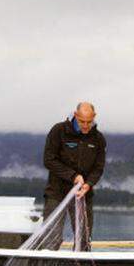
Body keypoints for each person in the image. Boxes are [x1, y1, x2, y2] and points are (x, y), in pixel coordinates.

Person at [42, 102, 106, 250]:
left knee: (83, 242)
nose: (85, 125)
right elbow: (49, 160)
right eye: (82, 121)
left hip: (82, 195)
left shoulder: (98, 139)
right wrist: (73, 176)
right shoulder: (58, 131)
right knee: (51, 239)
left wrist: (88, 184)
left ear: (94, 117)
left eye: (89, 122)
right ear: (75, 115)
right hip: (56, 194)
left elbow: (98, 168)